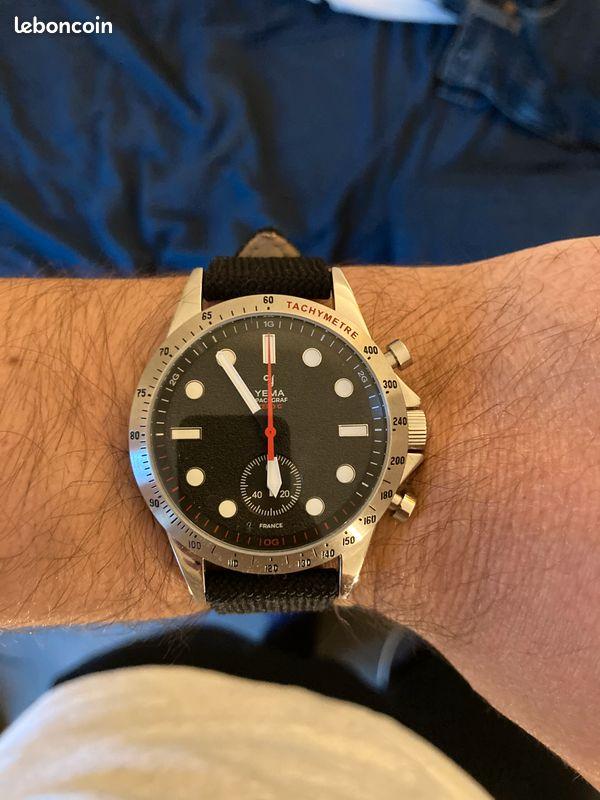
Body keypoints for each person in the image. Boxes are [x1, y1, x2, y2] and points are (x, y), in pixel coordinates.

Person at [0, 236, 598, 797]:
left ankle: (297, 638)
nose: (270, 436)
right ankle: (301, 639)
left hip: (126, 719)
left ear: (405, 431)